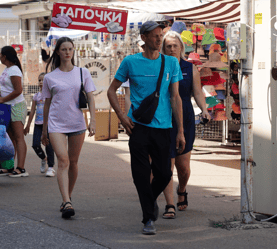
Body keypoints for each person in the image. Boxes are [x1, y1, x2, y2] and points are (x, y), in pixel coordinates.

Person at [107, 21, 185, 235]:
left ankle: (149, 201)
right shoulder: (130, 62)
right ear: (143, 38)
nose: (159, 39)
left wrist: (180, 131)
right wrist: (122, 117)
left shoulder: (170, 63)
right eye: (154, 36)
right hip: (138, 127)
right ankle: (148, 218)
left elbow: (175, 97)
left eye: (161, 35)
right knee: (140, 174)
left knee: (164, 174)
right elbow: (111, 91)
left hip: (163, 128)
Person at [41, 37, 96, 219]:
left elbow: (91, 97)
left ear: (73, 51)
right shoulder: (49, 77)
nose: (67, 52)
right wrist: (44, 129)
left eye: (70, 49)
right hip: (56, 124)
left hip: (77, 123)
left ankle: (68, 196)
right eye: (63, 49)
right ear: (57, 52)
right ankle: (66, 202)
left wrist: (93, 121)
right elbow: (47, 104)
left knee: (73, 162)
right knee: (62, 160)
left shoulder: (83, 73)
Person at [160, 31, 211, 219]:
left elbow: (197, 93)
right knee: (167, 164)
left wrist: (204, 109)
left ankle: (181, 189)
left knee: (183, 166)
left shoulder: (190, 68)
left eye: (175, 46)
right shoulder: (160, 65)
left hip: (186, 118)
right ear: (163, 49)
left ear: (181, 47)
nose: (172, 49)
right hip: (164, 118)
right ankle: (170, 204)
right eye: (168, 46)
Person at [0, 46, 29, 177]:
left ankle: (21, 168)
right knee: (10, 138)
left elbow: (18, 90)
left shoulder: (14, 69)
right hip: (7, 107)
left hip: (16, 106)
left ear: (5, 56)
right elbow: (6, 86)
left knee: (18, 137)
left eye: (0, 54)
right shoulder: (7, 69)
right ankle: (9, 167)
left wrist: (2, 99)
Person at [24, 72, 55, 177]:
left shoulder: (51, 95)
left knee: (48, 145)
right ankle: (43, 159)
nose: (41, 82)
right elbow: (32, 111)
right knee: (35, 144)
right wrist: (28, 125)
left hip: (48, 124)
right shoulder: (36, 96)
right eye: (39, 80)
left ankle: (51, 167)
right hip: (38, 124)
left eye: (43, 80)